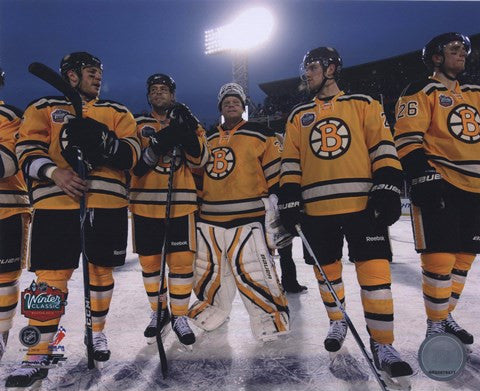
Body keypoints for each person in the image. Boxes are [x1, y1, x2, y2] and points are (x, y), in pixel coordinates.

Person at [6, 52, 140, 388]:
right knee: (48, 278)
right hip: (56, 204)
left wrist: (104, 142)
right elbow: (26, 151)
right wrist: (55, 173)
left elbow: (132, 155)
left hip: (107, 204)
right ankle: (36, 353)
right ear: (71, 76)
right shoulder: (44, 107)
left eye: (99, 72)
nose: (98, 77)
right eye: (91, 72)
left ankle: (97, 333)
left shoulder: (117, 111)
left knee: (100, 272)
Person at [278, 47, 412, 379]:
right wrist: (289, 197)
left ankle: (383, 344)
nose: (306, 73)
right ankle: (337, 322)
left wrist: (387, 185)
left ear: (332, 68)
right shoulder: (298, 115)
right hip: (316, 210)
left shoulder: (364, 104)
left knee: (376, 277)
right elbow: (290, 162)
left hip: (362, 206)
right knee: (328, 273)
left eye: (311, 66)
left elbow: (383, 145)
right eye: (305, 67)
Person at [393, 32, 479, 346]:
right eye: (454, 49)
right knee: (440, 260)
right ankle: (435, 325)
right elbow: (406, 139)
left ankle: (445, 316)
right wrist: (423, 176)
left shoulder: (476, 93)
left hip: (476, 189)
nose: (462, 55)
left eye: (464, 50)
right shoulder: (420, 90)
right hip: (441, 184)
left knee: (464, 260)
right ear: (437, 57)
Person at [188, 83, 289, 342]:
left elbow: (275, 173)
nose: (231, 105)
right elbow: (197, 176)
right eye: (226, 102)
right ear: (220, 108)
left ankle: (268, 318)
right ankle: (213, 309)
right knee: (209, 271)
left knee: (255, 271)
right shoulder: (207, 138)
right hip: (210, 218)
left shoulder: (261, 133)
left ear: (243, 107)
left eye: (236, 101)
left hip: (250, 216)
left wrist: (278, 207)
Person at [129, 73, 208, 345]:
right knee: (150, 265)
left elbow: (200, 161)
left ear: (173, 95)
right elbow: (133, 163)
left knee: (181, 264)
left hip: (180, 204)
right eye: (154, 89)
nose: (159, 93)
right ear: (148, 95)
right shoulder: (136, 123)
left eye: (164, 89)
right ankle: (159, 312)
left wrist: (185, 133)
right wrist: (159, 143)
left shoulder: (190, 122)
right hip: (144, 205)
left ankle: (180, 315)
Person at [0, 67, 31, 360]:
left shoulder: (10, 116)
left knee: (4, 277)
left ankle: (0, 338)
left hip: (6, 208)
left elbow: (5, 164)